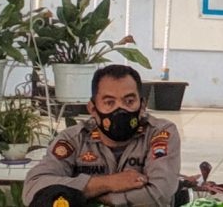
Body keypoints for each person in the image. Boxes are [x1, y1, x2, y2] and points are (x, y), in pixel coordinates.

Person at [23, 65, 181, 206]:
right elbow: (34, 187)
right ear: (92, 109)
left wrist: (93, 198)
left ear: (142, 105)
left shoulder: (159, 133)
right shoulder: (73, 140)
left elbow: (160, 192)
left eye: (129, 101)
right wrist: (109, 183)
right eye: (109, 102)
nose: (120, 109)